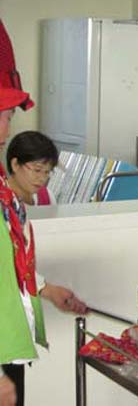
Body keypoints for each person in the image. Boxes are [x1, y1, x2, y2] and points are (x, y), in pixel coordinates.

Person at [0, 22, 87, 406]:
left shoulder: (7, 196)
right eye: (5, 114)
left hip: (11, 342)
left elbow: (8, 264)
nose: (8, 126)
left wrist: (47, 290)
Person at [6, 131, 58, 206]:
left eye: (47, 172)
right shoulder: (3, 201)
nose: (42, 179)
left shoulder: (47, 197)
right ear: (15, 165)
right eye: (37, 170)